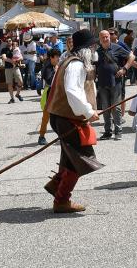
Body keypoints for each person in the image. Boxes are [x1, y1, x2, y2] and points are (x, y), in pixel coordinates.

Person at [42, 29, 104, 213]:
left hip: (63, 116)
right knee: (81, 159)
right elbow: (72, 92)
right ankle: (61, 200)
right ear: (85, 49)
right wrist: (87, 111)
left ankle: (57, 186)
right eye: (92, 47)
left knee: (69, 157)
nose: (94, 50)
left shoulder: (70, 61)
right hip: (67, 118)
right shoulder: (75, 65)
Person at [96, 29, 135, 140]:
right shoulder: (97, 52)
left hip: (116, 83)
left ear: (110, 37)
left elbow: (132, 57)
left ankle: (118, 131)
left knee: (116, 107)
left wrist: (124, 69)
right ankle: (108, 131)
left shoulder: (116, 47)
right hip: (102, 83)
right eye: (103, 37)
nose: (105, 38)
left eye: (107, 36)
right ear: (100, 39)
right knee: (105, 108)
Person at [37, 47, 62, 145]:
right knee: (46, 117)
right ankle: (41, 136)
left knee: (59, 116)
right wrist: (56, 71)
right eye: (57, 57)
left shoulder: (54, 65)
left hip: (56, 94)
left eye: (58, 57)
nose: (58, 59)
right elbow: (49, 80)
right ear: (51, 58)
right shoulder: (47, 67)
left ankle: (61, 135)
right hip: (49, 95)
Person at [2, 39, 23, 103]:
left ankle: (17, 94)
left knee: (21, 82)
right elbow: (4, 58)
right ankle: (12, 98)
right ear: (6, 42)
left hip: (16, 67)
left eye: (10, 41)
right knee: (9, 83)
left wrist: (17, 60)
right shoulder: (4, 49)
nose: (9, 42)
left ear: (12, 42)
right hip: (8, 68)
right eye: (7, 41)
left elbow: (21, 57)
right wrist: (12, 61)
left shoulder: (16, 48)